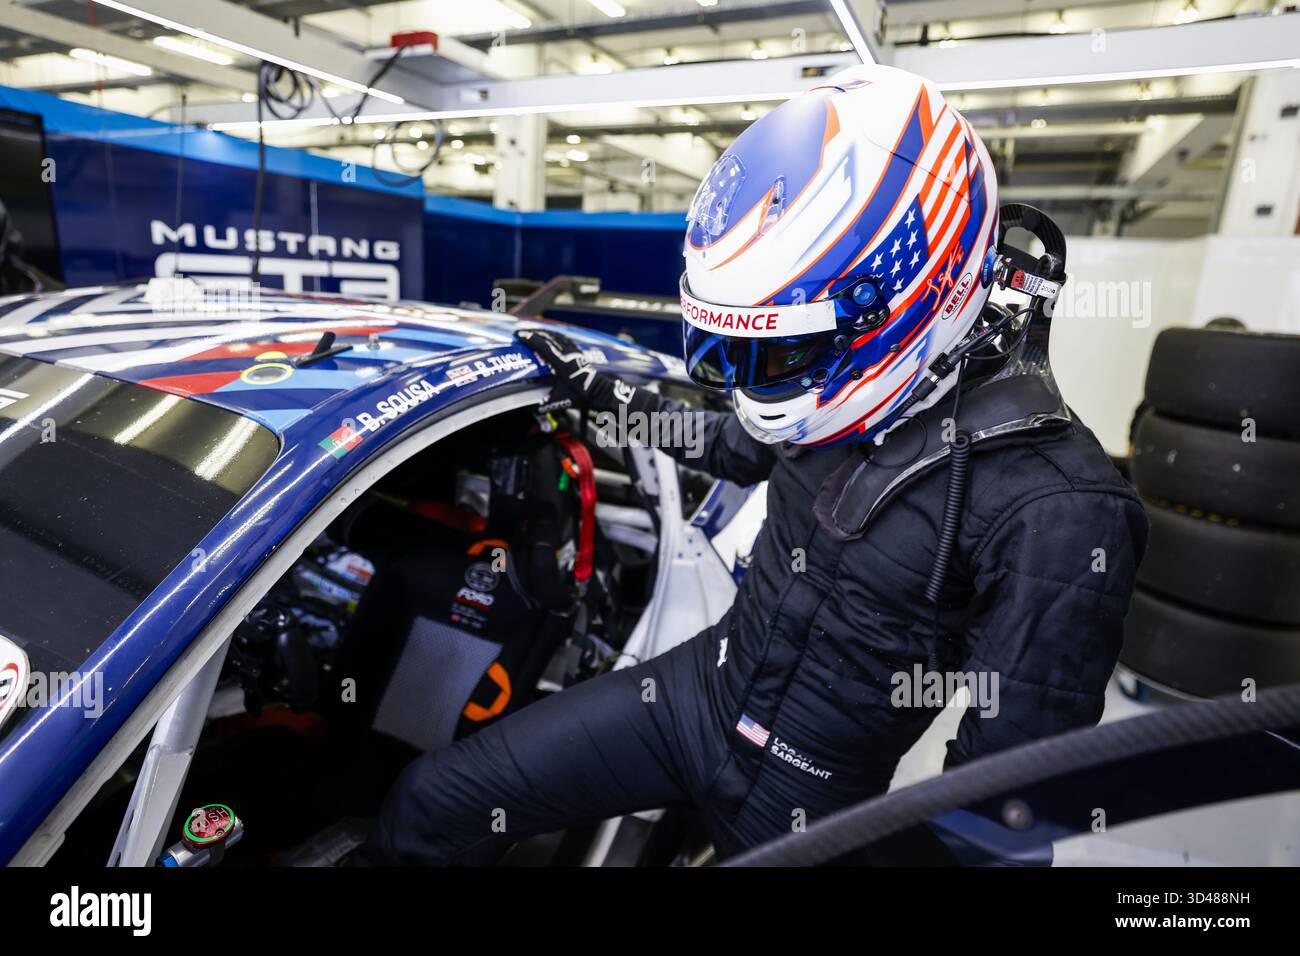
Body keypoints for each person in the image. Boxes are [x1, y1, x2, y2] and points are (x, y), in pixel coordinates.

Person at [352, 64, 1147, 866]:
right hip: (697, 695)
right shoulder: (826, 380)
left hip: (810, 793)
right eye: (742, 348)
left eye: (782, 348)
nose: (756, 377)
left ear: (918, 299)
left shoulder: (1065, 508)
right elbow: (729, 444)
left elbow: (1002, 806)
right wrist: (602, 396)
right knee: (434, 802)